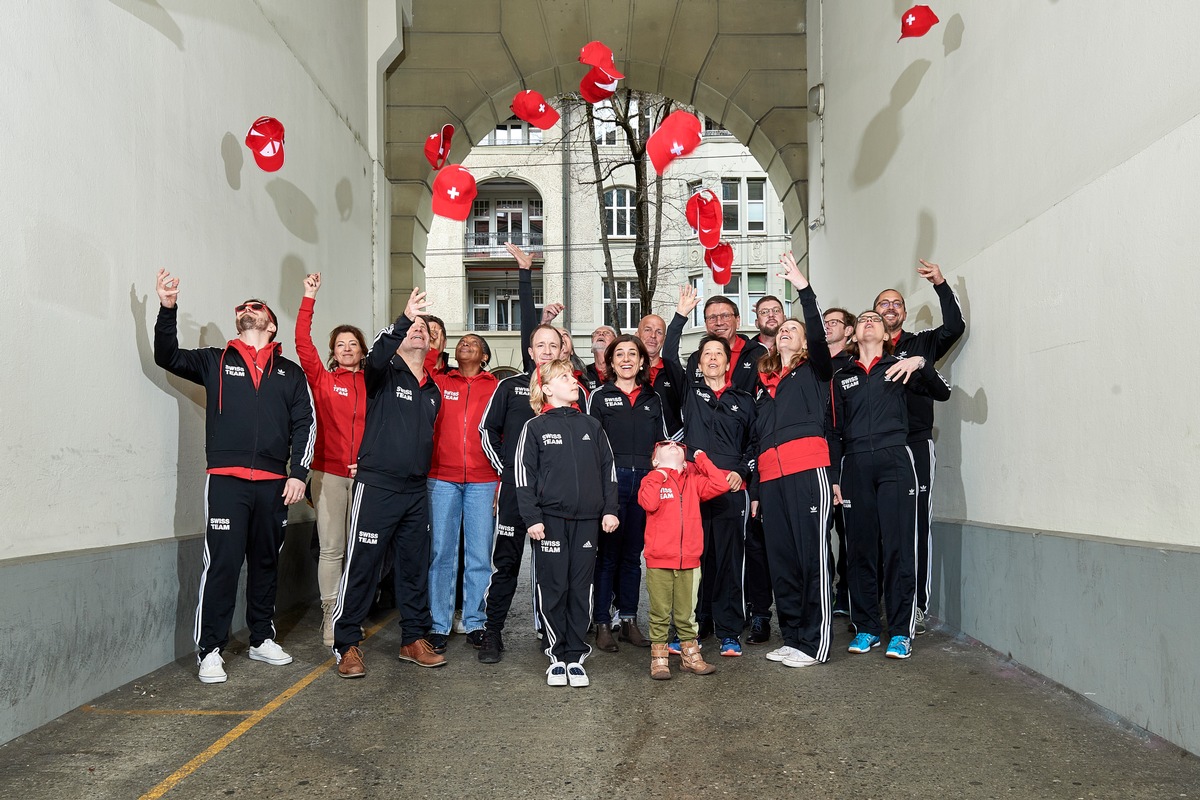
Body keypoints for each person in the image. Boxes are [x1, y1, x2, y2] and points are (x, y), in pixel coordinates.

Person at [152, 269, 315, 685]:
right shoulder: (214, 361)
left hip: (274, 483)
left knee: (265, 563)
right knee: (222, 564)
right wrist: (167, 308)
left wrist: (298, 474)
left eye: (254, 307)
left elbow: (306, 424)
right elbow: (166, 356)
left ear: (270, 323)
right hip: (226, 480)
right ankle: (210, 651)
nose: (246, 310)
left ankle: (262, 638)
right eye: (240, 308)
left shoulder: (290, 373)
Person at [331, 287, 444, 678]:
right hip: (377, 485)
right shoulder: (380, 372)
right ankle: (346, 643)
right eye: (412, 327)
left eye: (424, 329)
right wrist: (403, 318)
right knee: (363, 566)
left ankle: (413, 639)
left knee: (414, 567)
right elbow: (377, 351)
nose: (418, 330)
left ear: (432, 344)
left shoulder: (433, 390)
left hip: (416, 491)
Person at [829, 309, 951, 661]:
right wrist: (836, 475)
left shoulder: (899, 367)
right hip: (854, 467)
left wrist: (919, 363)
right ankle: (866, 627)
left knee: (899, 548)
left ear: (885, 335)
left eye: (875, 320)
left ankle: (900, 631)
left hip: (896, 462)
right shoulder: (842, 376)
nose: (869, 321)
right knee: (861, 549)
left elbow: (941, 393)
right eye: (864, 318)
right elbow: (833, 431)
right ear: (854, 335)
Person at [476, 242, 564, 664]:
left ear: (560, 351)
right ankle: (492, 632)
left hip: (552, 499)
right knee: (506, 564)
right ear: (530, 351)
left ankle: (551, 635)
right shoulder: (509, 387)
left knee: (550, 569)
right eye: (539, 346)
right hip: (515, 496)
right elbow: (486, 433)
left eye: (553, 346)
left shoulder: (568, 394)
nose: (546, 351)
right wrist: (506, 475)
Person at [751, 253, 834, 668]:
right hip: (772, 479)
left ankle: (815, 644)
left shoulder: (816, 370)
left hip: (808, 471)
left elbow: (818, 335)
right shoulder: (765, 384)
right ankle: (794, 636)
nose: (785, 332)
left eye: (792, 329)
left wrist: (803, 288)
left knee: (811, 557)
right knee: (781, 560)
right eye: (780, 330)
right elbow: (756, 439)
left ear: (802, 342)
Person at [664, 286, 757, 657]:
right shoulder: (691, 392)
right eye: (707, 355)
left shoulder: (745, 402)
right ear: (699, 364)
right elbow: (668, 355)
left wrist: (743, 473)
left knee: (730, 561)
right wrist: (681, 315)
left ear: (728, 362)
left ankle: (730, 631)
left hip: (731, 489)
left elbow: (755, 446)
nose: (714, 358)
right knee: (692, 561)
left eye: (720, 353)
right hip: (694, 489)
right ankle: (689, 628)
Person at [515, 359, 619, 687]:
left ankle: (576, 654)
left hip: (588, 521)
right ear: (546, 389)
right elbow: (523, 476)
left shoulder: (591, 426)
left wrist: (609, 510)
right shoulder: (535, 427)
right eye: (563, 378)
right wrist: (532, 517)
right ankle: (555, 654)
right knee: (554, 586)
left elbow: (608, 471)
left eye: (572, 377)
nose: (573, 381)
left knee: (580, 587)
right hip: (550, 522)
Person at [875, 260, 965, 634]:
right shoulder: (863, 352)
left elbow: (955, 328)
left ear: (904, 312)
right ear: (873, 314)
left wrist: (941, 284)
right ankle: (880, 601)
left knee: (915, 526)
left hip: (913, 443)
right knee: (879, 529)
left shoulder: (920, 342)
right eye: (883, 304)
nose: (891, 308)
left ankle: (917, 605)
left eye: (896, 303)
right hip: (876, 449)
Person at [294, 273, 368, 646]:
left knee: (364, 548)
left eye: (353, 344)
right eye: (340, 344)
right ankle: (331, 616)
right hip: (329, 473)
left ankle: (352, 613)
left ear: (362, 350)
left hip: (368, 477)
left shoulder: (376, 383)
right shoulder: (322, 380)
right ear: (333, 351)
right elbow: (302, 343)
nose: (346, 348)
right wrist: (309, 297)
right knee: (332, 547)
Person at [586, 335, 670, 652]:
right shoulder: (599, 396)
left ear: (641, 361)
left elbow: (662, 442)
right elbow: (590, 445)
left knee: (633, 557)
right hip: (611, 482)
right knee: (607, 557)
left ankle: (629, 620)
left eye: (632, 353)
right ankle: (603, 624)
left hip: (646, 484)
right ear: (610, 362)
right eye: (618, 354)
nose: (625, 359)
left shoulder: (653, 399)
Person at [426, 334, 499, 654]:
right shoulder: (441, 382)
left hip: (484, 481)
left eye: (473, 343)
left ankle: (475, 621)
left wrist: (501, 481)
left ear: (484, 355)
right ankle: (439, 624)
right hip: (442, 479)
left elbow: (504, 433)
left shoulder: (495, 387)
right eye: (460, 342)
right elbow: (421, 369)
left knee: (480, 555)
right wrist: (432, 344)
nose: (464, 345)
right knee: (442, 552)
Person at [638, 441, 728, 680]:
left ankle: (690, 655)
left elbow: (720, 484)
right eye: (665, 445)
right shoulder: (651, 479)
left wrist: (702, 460)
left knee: (686, 613)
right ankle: (659, 658)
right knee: (659, 611)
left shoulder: (694, 481)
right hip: (659, 560)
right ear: (655, 459)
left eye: (678, 444)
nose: (673, 445)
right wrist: (658, 475)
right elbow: (648, 503)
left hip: (689, 559)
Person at [743, 293, 787, 644]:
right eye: (764, 311)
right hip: (759, 463)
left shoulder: (802, 365)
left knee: (788, 546)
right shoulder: (749, 357)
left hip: (797, 466)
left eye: (777, 311)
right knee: (756, 544)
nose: (771, 316)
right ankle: (760, 614)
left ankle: (794, 616)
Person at [821, 307, 856, 618]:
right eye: (825, 322)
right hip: (817, 451)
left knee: (849, 529)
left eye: (834, 322)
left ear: (848, 331)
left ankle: (847, 592)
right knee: (822, 529)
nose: (828, 326)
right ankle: (827, 590)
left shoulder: (853, 363)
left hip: (847, 451)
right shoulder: (813, 363)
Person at [683, 295, 768, 395]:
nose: (719, 322)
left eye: (725, 316)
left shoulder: (758, 353)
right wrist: (680, 316)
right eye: (712, 317)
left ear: (737, 321)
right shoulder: (696, 359)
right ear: (706, 324)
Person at [637, 313, 686, 434]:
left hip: (668, 446)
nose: (653, 336)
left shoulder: (673, 373)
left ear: (664, 340)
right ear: (637, 335)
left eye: (659, 332)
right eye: (648, 330)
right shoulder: (627, 371)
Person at [583, 325, 618, 391]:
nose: (601, 334)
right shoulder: (583, 373)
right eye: (596, 333)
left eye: (607, 333)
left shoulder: (621, 371)